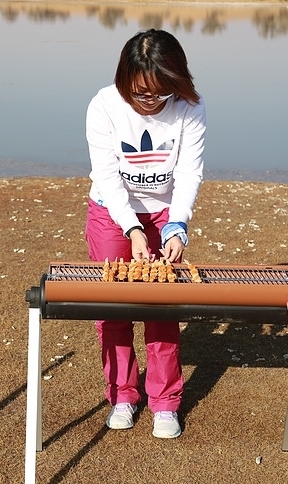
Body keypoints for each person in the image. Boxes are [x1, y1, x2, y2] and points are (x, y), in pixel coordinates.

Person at [84, 28, 206, 439]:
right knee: (113, 307)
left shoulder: (190, 106)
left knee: (161, 307)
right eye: (140, 93)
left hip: (164, 212)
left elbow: (189, 172)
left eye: (159, 93)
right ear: (124, 80)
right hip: (111, 213)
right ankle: (122, 395)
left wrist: (177, 226)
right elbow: (107, 176)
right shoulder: (103, 106)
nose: (150, 102)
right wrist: (132, 227)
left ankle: (166, 402)